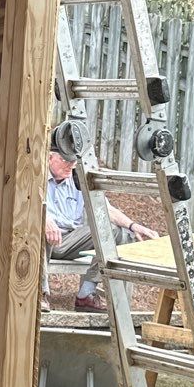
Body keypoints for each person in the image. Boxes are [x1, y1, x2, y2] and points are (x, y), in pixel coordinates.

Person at [44, 126, 153, 310]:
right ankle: (40, 294)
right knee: (36, 229)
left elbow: (105, 209)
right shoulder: (36, 177)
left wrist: (133, 226)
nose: (70, 165)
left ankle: (86, 293)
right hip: (43, 238)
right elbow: (26, 204)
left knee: (118, 233)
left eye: (72, 161)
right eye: (65, 160)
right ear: (49, 158)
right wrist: (44, 219)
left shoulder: (77, 179)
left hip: (70, 239)